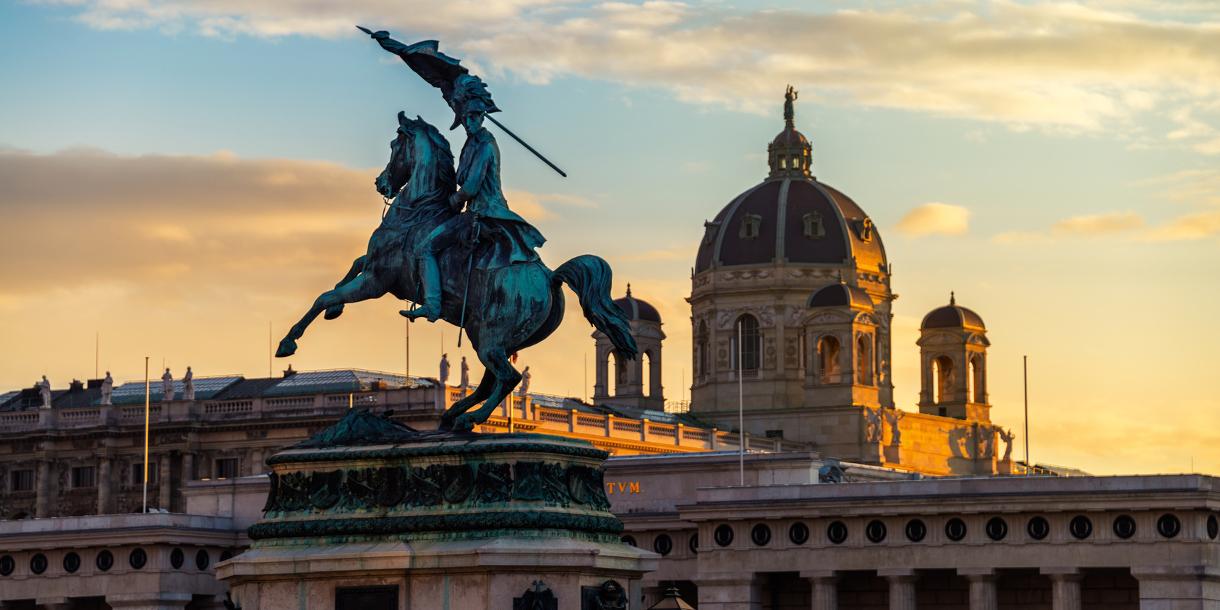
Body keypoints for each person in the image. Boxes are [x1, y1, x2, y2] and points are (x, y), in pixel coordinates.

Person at [400, 74, 545, 322]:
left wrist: (452, 202)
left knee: (425, 248)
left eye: (474, 117)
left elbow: (471, 186)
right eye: (466, 118)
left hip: (484, 212)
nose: (469, 122)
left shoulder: (486, 144)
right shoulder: (472, 142)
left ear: (482, 117)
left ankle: (433, 306)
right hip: (477, 210)